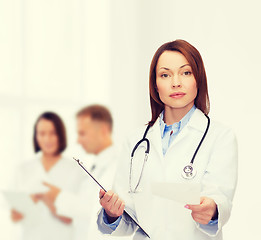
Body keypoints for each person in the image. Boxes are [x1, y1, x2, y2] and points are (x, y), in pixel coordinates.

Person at [97, 40, 238, 240]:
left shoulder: (220, 137)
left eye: (185, 72)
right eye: (165, 75)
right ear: (155, 84)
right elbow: (127, 218)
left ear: (198, 78)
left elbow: (220, 200)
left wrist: (212, 211)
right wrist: (112, 213)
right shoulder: (135, 141)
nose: (176, 82)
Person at [36, 105, 128, 240]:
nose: (78, 140)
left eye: (82, 133)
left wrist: (58, 197)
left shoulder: (119, 166)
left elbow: (98, 211)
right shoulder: (95, 166)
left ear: (103, 131)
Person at [11, 112, 85, 240]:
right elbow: (15, 216)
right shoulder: (23, 169)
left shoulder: (74, 170)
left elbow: (73, 217)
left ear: (61, 135)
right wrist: (19, 211)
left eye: (53, 133)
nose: (47, 139)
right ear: (36, 136)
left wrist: (46, 198)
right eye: (42, 133)